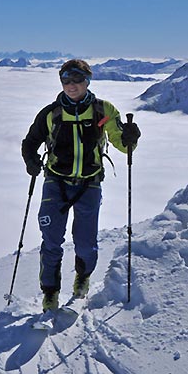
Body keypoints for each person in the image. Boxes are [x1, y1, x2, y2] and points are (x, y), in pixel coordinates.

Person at [21, 59, 141, 312]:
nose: (71, 85)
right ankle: (50, 292)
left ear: (87, 80)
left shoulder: (103, 110)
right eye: (66, 79)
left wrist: (130, 138)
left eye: (77, 79)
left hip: (90, 183)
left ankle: (83, 276)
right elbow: (30, 142)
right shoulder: (50, 113)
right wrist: (31, 161)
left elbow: (123, 145)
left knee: (86, 242)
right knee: (51, 240)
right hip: (56, 182)